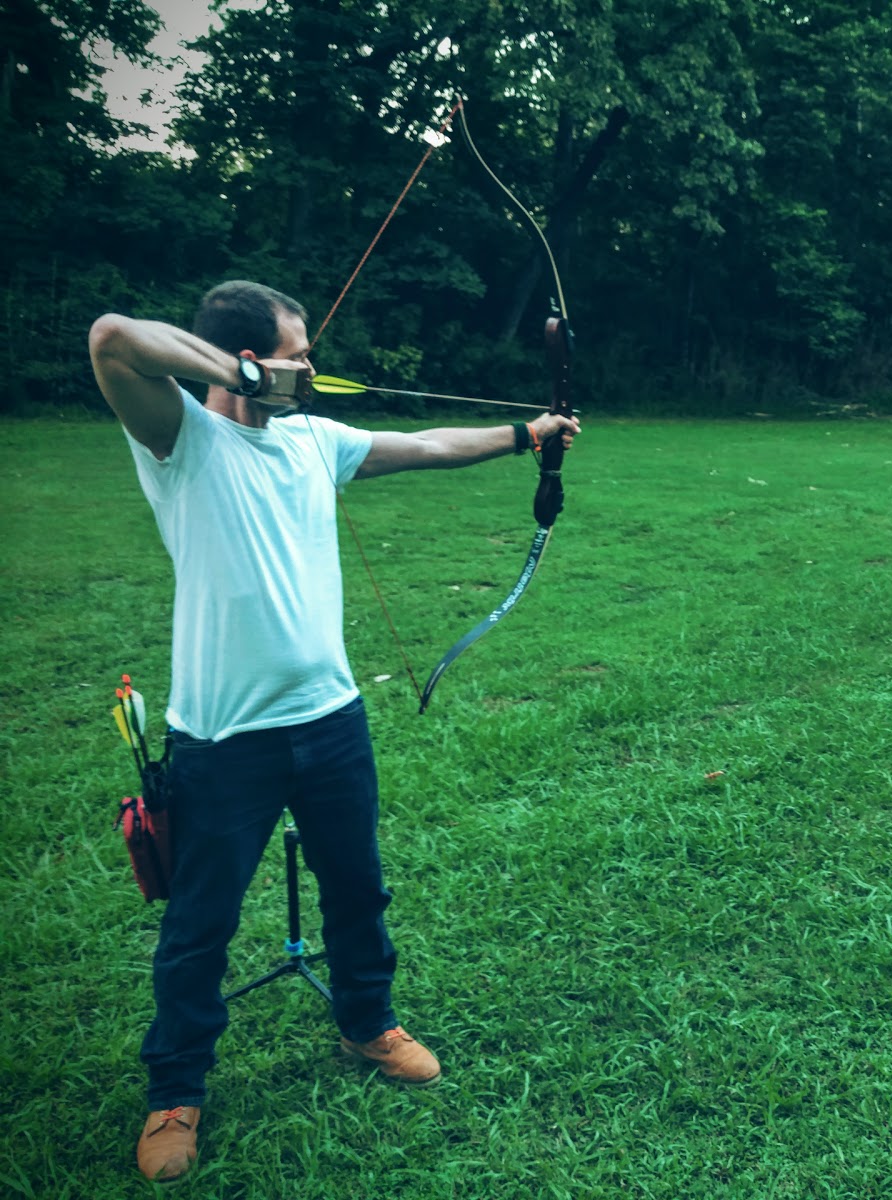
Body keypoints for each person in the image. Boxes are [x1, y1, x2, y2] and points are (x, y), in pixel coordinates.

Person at [89, 280, 579, 1183]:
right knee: (200, 924)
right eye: (297, 352)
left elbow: (427, 443)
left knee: (357, 890)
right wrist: (240, 375)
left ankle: (367, 1023)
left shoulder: (316, 440)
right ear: (248, 357)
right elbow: (115, 337)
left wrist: (528, 435)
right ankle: (176, 1089)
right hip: (223, 736)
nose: (312, 367)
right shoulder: (181, 440)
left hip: (330, 721)